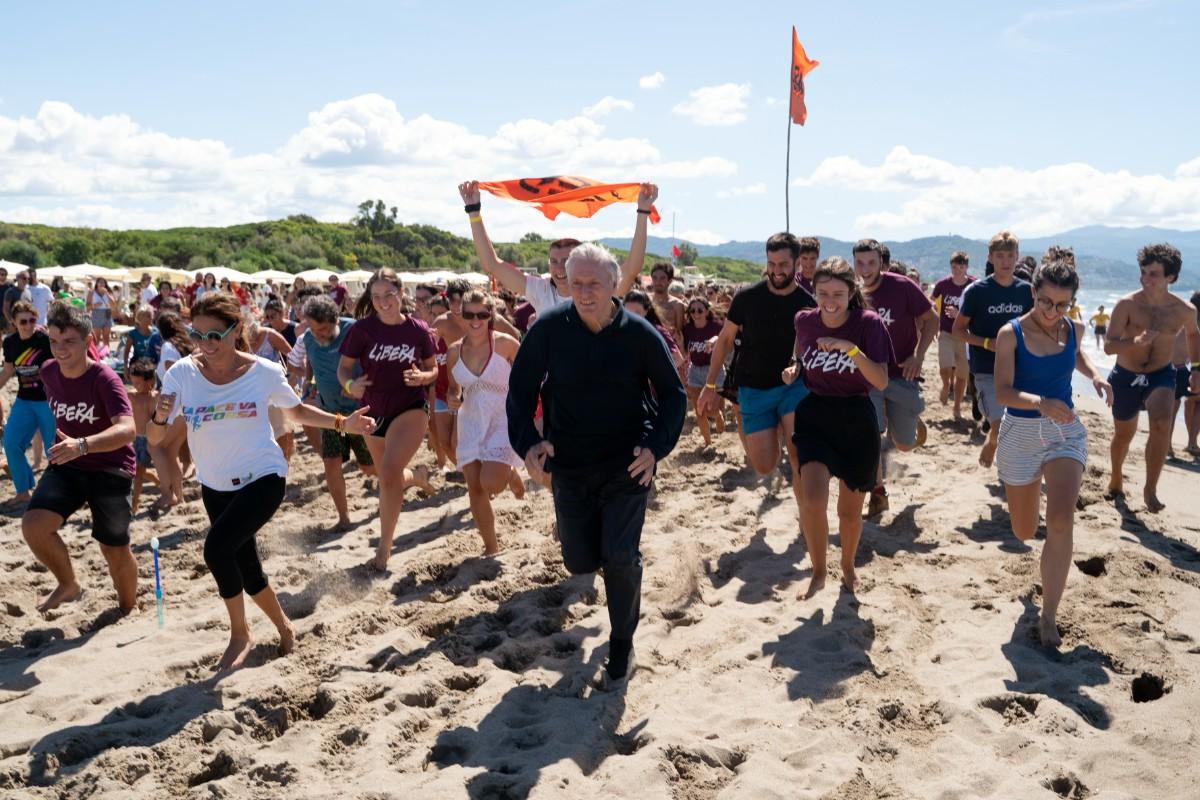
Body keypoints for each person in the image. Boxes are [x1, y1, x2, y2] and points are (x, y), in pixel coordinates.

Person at [150, 292, 375, 671]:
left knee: (216, 549)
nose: (205, 345)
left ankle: (240, 634)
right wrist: (158, 417)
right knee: (247, 565)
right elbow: (155, 440)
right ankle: (284, 627)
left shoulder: (263, 372)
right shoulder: (181, 374)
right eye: (197, 335)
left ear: (235, 330)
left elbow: (297, 410)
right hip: (215, 483)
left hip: (264, 477)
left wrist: (342, 423)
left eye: (214, 336)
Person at [507, 242, 685, 690]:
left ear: (614, 284)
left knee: (620, 558)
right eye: (577, 283)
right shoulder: (547, 329)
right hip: (569, 464)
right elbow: (520, 392)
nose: (585, 292)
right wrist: (528, 444)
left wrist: (655, 447)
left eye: (595, 284)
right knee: (580, 559)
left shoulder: (640, 333)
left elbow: (673, 396)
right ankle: (610, 563)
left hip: (628, 464)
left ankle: (622, 645)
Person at [993, 255, 1112, 647]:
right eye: (1045, 302)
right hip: (1021, 433)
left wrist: (1095, 375)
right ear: (1034, 293)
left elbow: (1076, 354)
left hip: (1065, 433)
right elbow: (1003, 392)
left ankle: (1048, 617)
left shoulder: (1073, 328)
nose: (1052, 311)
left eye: (1062, 304)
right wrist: (1040, 401)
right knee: (1024, 530)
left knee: (1061, 520)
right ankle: (1036, 585)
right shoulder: (1010, 334)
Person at [783, 256, 892, 598]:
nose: (830, 302)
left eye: (838, 294)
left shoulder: (868, 324)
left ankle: (846, 565)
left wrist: (852, 350)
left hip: (857, 419)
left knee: (848, 513)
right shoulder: (804, 320)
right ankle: (818, 572)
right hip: (815, 415)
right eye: (823, 293)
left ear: (851, 292)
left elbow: (882, 381)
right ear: (813, 292)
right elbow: (801, 356)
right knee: (813, 500)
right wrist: (794, 368)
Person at [22, 302, 138, 614]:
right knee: (34, 526)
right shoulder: (48, 372)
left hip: (110, 467)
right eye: (54, 342)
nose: (59, 350)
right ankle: (69, 584)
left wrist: (83, 444)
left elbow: (128, 430)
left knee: (113, 548)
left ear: (88, 341)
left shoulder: (105, 379)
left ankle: (128, 609)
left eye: (68, 342)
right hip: (68, 464)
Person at [697, 233, 816, 517]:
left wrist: (799, 365)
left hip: (793, 388)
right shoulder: (747, 298)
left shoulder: (808, 302)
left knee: (800, 455)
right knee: (764, 465)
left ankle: (807, 519)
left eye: (783, 264)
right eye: (771, 263)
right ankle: (774, 426)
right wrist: (710, 384)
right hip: (753, 388)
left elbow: (813, 348)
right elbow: (725, 340)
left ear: (797, 263)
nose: (776, 270)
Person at [338, 268, 437, 571]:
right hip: (374, 411)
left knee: (390, 473)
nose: (383, 302)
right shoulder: (361, 330)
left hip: (410, 407)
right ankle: (416, 478)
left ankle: (384, 548)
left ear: (401, 293)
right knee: (388, 477)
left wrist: (423, 376)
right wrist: (349, 386)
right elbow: (344, 369)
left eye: (389, 295)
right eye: (377, 296)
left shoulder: (419, 330)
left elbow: (433, 369)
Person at [458, 180, 657, 315]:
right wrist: (473, 212)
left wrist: (643, 211)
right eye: (554, 261)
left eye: (566, 261)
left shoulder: (600, 289)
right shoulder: (541, 291)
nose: (559, 268)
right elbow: (492, 264)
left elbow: (631, 268)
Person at [1104, 243, 1200, 511]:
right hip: (1125, 375)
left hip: (1161, 375)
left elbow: (1193, 334)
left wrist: (1197, 369)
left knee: (1161, 424)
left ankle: (1150, 489)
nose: (1145, 279)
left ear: (1170, 277)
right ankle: (1115, 478)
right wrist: (1135, 341)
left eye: (1153, 274)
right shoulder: (1127, 305)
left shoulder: (1184, 311)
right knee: (1124, 435)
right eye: (1143, 272)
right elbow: (1109, 346)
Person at [853, 238, 937, 517]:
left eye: (871, 262)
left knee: (902, 443)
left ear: (882, 263)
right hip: (869, 377)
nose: (865, 269)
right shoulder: (851, 292)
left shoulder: (902, 287)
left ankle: (909, 421)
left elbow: (933, 320)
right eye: (860, 262)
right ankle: (878, 494)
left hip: (902, 374)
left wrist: (919, 355)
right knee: (871, 436)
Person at [446, 290, 525, 555]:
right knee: (475, 489)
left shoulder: (506, 344)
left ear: (490, 315)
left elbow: (530, 374)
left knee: (491, 483)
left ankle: (510, 473)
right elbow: (453, 389)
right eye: (470, 314)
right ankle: (491, 547)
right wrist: (453, 398)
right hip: (470, 422)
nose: (476, 320)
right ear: (461, 315)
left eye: (482, 314)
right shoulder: (454, 351)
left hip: (502, 420)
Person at [953, 230, 1034, 468]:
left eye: (1010, 256)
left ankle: (1008, 459)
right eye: (1000, 256)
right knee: (1000, 424)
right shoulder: (978, 292)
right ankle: (992, 442)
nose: (1006, 261)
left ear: (1017, 256)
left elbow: (1036, 326)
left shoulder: (1026, 291)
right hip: (986, 369)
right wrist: (988, 343)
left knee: (1019, 424)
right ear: (990, 258)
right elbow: (958, 331)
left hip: (1021, 369)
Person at [301, 295, 376, 530]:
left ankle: (413, 477)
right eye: (313, 329)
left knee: (370, 468)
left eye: (322, 329)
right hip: (330, 413)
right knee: (331, 463)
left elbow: (376, 365)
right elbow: (311, 363)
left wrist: (355, 387)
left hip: (359, 412)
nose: (318, 335)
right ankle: (344, 518)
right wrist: (309, 383)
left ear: (335, 320)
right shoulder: (308, 338)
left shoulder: (355, 331)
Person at [0, 301, 56, 508]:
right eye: (23, 321)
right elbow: (7, 371)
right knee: (11, 444)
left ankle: (60, 493)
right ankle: (23, 491)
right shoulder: (10, 343)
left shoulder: (44, 340)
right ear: (13, 322)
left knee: (55, 450)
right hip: (24, 400)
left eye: (32, 320)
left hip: (48, 401)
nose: (28, 325)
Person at [931, 250, 975, 420]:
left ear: (966, 267)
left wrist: (960, 314)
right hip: (946, 332)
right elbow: (931, 301)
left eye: (961, 266)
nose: (957, 270)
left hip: (965, 335)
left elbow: (978, 310)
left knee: (962, 375)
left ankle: (957, 407)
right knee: (945, 366)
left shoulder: (974, 285)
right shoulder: (943, 284)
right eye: (954, 266)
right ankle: (945, 385)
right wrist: (934, 312)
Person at [681, 296, 726, 446]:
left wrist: (715, 340)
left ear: (707, 311)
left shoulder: (716, 326)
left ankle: (718, 415)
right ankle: (708, 443)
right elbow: (683, 350)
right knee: (699, 411)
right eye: (692, 310)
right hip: (694, 369)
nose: (696, 313)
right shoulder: (687, 329)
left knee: (710, 409)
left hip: (714, 370)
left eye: (700, 310)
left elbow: (726, 341)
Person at [126, 358, 160, 512]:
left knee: (138, 472)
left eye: (138, 383)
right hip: (134, 438)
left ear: (149, 381)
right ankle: (157, 481)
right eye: (133, 382)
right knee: (138, 471)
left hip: (150, 439)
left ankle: (135, 502)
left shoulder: (154, 397)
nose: (135, 386)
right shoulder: (131, 396)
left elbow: (158, 416)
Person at [648, 263, 686, 349]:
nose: (658, 282)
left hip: (668, 349)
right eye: (655, 278)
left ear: (669, 281)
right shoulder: (645, 301)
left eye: (662, 278)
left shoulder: (677, 305)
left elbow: (678, 333)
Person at [123, 306, 163, 378]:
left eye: (150, 316)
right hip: (137, 363)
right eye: (147, 316)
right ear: (140, 318)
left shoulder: (156, 332)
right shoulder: (133, 334)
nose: (150, 318)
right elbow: (126, 352)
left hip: (152, 364)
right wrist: (126, 367)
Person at [86, 277, 115, 352]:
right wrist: (94, 306)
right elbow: (87, 307)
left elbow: (113, 304)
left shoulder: (108, 292)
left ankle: (106, 353)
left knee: (106, 337)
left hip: (107, 313)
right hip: (96, 313)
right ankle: (96, 354)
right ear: (97, 283)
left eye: (103, 282)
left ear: (105, 284)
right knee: (96, 338)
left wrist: (107, 294)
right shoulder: (92, 292)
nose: (102, 284)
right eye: (100, 282)